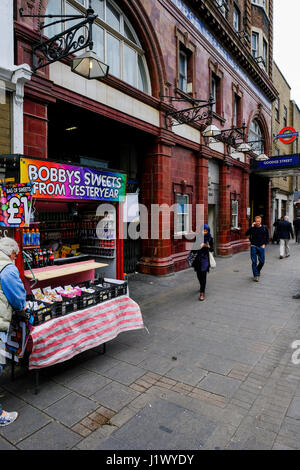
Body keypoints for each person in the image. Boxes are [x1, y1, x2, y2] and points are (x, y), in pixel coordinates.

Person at [0, 237, 26, 427]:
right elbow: (17, 299)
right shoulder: (8, 268)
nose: (16, 259)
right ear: (11, 253)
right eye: (16, 255)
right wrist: (22, 307)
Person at [191, 224, 214, 301]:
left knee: (203, 274)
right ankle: (202, 285)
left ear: (208, 231)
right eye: (203, 231)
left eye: (206, 231)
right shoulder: (198, 238)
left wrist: (208, 246)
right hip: (198, 258)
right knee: (198, 274)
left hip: (205, 259)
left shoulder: (210, 238)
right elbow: (193, 249)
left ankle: (202, 292)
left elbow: (212, 249)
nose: (204, 232)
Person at [246, 216, 269, 282]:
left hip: (261, 246)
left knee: (262, 261)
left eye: (259, 221)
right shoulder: (253, 228)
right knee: (254, 261)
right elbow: (246, 233)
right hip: (253, 246)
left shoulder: (264, 228)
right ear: (255, 221)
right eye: (256, 221)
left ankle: (258, 270)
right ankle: (256, 275)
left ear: (261, 221)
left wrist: (265, 244)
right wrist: (251, 226)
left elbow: (267, 237)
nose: (258, 222)